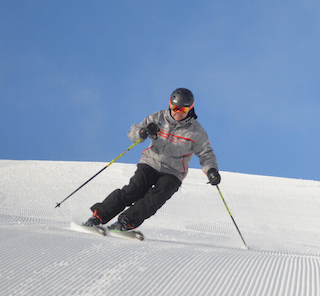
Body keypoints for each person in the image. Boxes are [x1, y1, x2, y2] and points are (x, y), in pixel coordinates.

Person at [83, 88, 221, 231]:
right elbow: (133, 131)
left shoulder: (196, 132)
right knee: (133, 190)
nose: (178, 113)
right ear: (170, 105)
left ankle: (126, 222)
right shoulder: (158, 118)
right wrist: (143, 132)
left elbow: (206, 154)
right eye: (175, 108)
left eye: (183, 110)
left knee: (154, 199)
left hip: (173, 172)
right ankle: (98, 216)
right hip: (150, 163)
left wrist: (211, 170)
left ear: (190, 110)